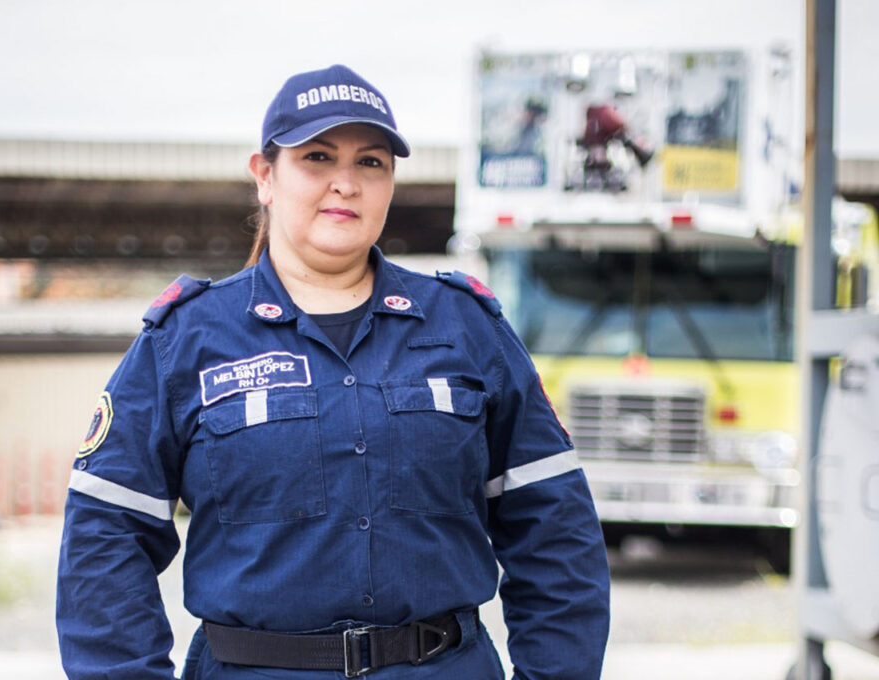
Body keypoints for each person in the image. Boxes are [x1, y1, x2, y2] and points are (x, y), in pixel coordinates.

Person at [56, 63, 610, 680]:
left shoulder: (468, 328)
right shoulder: (185, 340)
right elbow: (104, 543)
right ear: (264, 176)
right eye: (317, 158)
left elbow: (556, 534)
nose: (345, 183)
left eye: (370, 163)